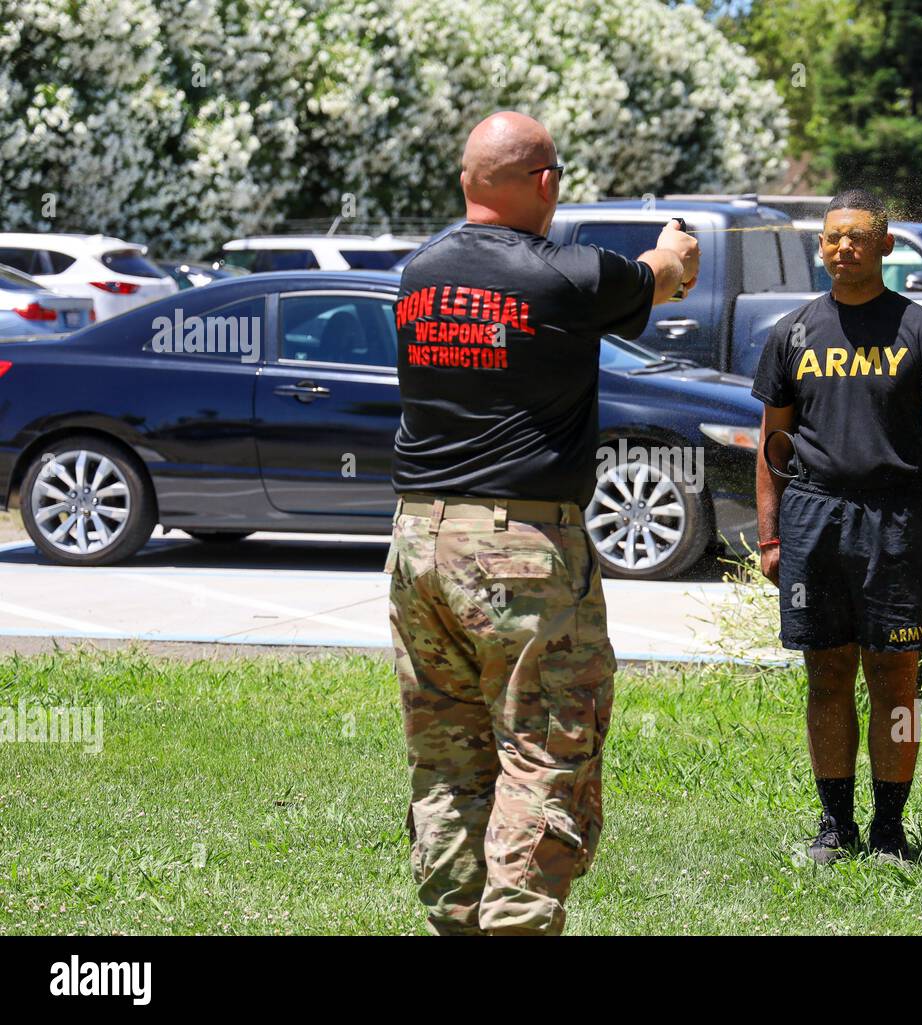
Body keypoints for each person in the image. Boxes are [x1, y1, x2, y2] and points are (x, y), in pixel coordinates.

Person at [386, 111, 699, 935]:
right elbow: (661, 275)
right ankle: (516, 925)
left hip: (418, 539)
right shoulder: (569, 275)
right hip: (520, 544)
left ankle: (456, 920)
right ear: (546, 183)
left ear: (464, 180)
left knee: (446, 757)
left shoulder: (417, 274)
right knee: (544, 749)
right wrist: (676, 249)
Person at [751, 188, 922, 863]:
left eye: (857, 236)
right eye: (831, 237)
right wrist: (769, 536)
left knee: (895, 677)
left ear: (885, 247)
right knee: (827, 671)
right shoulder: (791, 333)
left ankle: (890, 829)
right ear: (820, 247)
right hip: (815, 520)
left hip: (897, 519)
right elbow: (773, 448)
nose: (842, 247)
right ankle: (835, 825)